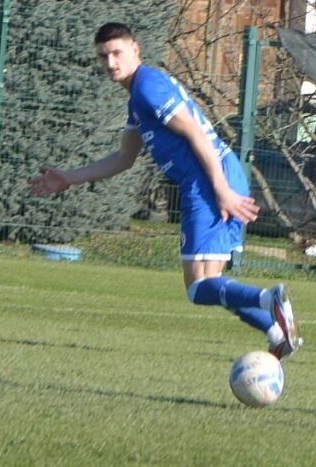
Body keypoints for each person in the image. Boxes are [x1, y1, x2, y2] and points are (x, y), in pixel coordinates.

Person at [30, 22, 301, 361]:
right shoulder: (138, 98)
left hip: (208, 181)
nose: (111, 62)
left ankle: (268, 299)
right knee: (213, 282)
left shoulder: (148, 87)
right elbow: (124, 158)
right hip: (216, 176)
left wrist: (220, 190)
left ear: (135, 50)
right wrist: (68, 178)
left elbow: (196, 134)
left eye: (117, 53)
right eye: (103, 56)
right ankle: (277, 333)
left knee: (198, 288)